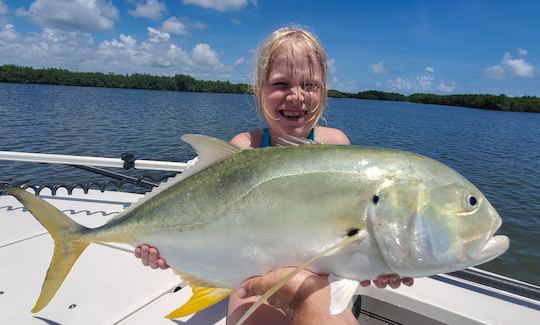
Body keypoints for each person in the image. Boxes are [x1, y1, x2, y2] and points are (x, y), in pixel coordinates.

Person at [135, 26, 413, 324]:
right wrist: (166, 246)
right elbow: (212, 219)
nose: (296, 96)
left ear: (324, 92)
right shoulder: (245, 147)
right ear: (259, 91)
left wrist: (381, 259)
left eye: (309, 84)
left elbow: (349, 229)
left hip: (320, 277)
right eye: (281, 84)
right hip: (254, 274)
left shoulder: (335, 145)